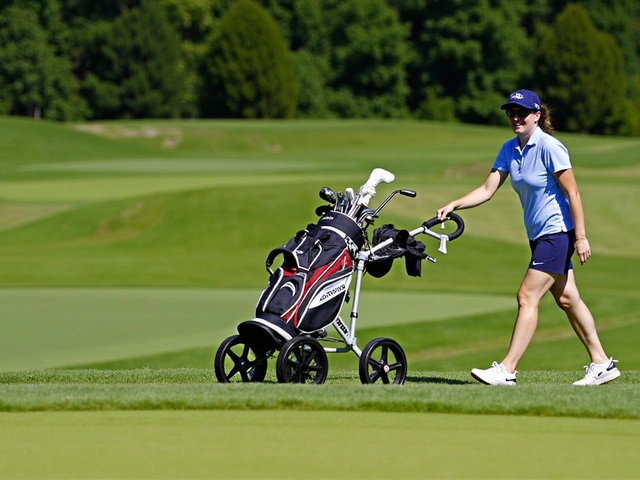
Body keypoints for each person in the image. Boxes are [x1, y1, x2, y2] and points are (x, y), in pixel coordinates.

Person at [436, 89, 620, 386]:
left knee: (527, 296)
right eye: (511, 113)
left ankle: (507, 370)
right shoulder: (509, 149)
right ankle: (602, 363)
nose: (516, 118)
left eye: (522, 112)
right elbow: (487, 189)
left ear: (537, 115)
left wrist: (581, 238)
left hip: (557, 232)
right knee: (567, 298)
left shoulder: (550, 147)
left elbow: (573, 192)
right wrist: (455, 203)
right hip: (538, 235)